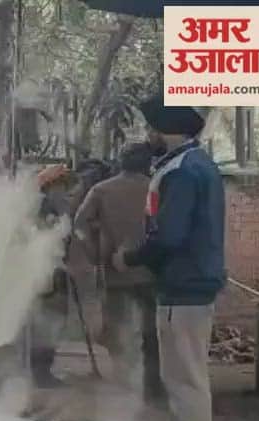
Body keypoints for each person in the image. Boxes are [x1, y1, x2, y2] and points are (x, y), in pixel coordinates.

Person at [113, 100, 224, 421]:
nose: (149, 135)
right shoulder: (197, 163)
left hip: (183, 284)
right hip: (193, 281)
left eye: (152, 128)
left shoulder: (181, 171)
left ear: (167, 130)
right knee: (182, 375)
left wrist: (130, 258)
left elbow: (169, 236)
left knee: (184, 378)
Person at [75, 143, 165, 403]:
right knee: (152, 334)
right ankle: (152, 389)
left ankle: (123, 390)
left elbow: (79, 225)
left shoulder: (102, 190)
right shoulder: (158, 188)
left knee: (118, 331)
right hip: (152, 272)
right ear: (148, 163)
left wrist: (94, 255)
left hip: (115, 274)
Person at [29, 164, 74, 388]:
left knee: (48, 322)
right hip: (45, 271)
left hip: (52, 269)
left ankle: (40, 370)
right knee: (45, 322)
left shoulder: (49, 203)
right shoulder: (45, 205)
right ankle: (40, 372)